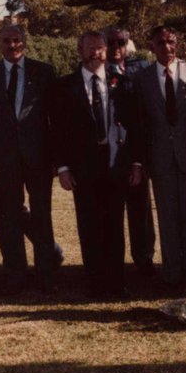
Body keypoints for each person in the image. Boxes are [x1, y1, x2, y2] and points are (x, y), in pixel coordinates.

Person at [51, 31, 141, 297]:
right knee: (89, 225)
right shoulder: (64, 86)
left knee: (114, 225)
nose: (96, 53)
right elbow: (57, 131)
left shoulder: (122, 83)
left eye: (100, 48)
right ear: (79, 50)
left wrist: (136, 163)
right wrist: (63, 168)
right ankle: (94, 283)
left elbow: (135, 124)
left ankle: (116, 282)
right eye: (90, 48)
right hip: (83, 167)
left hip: (116, 164)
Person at [0, 25, 59, 293]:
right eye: (6, 41)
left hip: (39, 158)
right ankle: (16, 274)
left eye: (16, 40)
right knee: (10, 217)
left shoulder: (44, 72)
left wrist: (56, 159)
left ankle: (46, 274)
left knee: (42, 216)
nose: (12, 45)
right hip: (4, 160)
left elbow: (55, 119)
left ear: (25, 42)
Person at [134, 25, 186, 284]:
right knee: (167, 218)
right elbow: (140, 123)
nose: (167, 47)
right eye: (161, 43)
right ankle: (172, 274)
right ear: (152, 46)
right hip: (160, 159)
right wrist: (143, 161)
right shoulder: (142, 79)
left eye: (171, 41)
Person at [108, 28, 157, 279]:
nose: (116, 46)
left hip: (135, 149)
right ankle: (113, 264)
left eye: (121, 42)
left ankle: (144, 260)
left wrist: (142, 157)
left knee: (140, 212)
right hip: (109, 153)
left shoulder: (141, 69)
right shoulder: (97, 70)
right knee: (111, 212)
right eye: (110, 42)